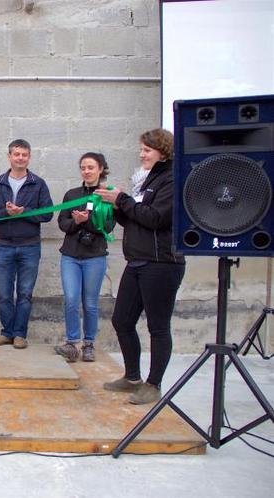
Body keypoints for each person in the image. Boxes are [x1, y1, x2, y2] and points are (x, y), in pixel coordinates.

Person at [96, 129, 185, 405]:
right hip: (137, 260)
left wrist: (122, 200)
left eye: (147, 150)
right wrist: (119, 207)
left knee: (158, 327)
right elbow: (137, 218)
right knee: (121, 320)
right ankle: (132, 377)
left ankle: (153, 384)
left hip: (161, 263)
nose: (142, 154)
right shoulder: (148, 180)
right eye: (142, 149)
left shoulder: (172, 178)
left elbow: (157, 218)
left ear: (163, 151)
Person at [0, 139, 53, 349]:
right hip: (4, 245)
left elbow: (48, 214)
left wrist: (24, 212)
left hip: (30, 246)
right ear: (9, 157)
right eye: (16, 154)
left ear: (29, 157)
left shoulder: (38, 183)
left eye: (24, 154)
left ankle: (20, 334)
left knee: (24, 293)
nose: (20, 158)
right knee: (4, 293)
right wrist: (6, 212)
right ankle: (7, 333)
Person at [55, 152, 113, 363]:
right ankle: (72, 342)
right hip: (70, 254)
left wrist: (87, 221)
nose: (86, 171)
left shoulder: (106, 195)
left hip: (94, 256)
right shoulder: (72, 195)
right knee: (71, 299)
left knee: (90, 302)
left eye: (90, 167)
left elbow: (107, 227)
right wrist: (76, 222)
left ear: (100, 169)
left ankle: (89, 344)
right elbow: (62, 223)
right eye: (83, 168)